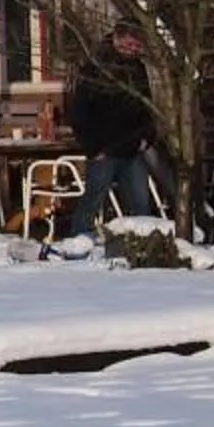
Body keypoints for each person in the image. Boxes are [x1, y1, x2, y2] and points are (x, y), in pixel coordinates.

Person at [57, 19, 161, 252]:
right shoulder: (95, 67)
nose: (136, 50)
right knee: (93, 199)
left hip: (133, 146)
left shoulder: (137, 69)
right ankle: (77, 242)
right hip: (105, 148)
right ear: (119, 38)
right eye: (133, 44)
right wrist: (93, 148)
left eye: (138, 46)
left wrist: (147, 137)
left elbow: (146, 106)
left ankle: (145, 247)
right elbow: (80, 112)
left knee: (141, 202)